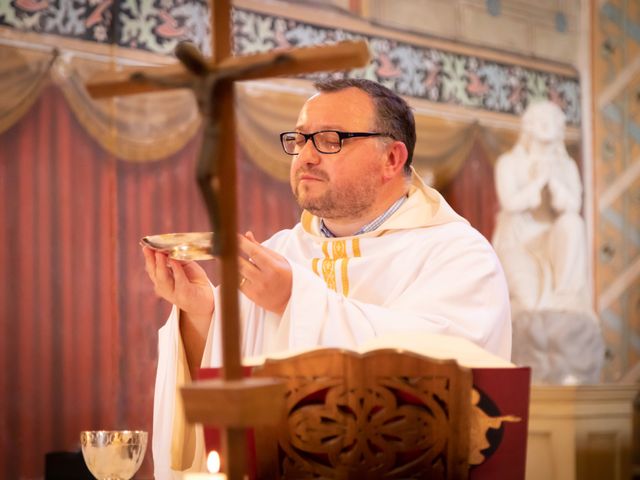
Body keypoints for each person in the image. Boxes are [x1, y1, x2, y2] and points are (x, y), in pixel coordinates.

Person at [143, 79, 511, 478]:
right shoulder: (281, 252)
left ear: (392, 158)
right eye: (300, 140)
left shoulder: (457, 254)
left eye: (330, 140)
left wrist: (294, 301)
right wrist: (202, 316)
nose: (306, 156)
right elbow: (225, 397)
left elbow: (445, 370)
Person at [492, 100, 590, 314]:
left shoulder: (567, 166)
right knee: (529, 307)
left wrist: (554, 182)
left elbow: (574, 205)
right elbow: (510, 203)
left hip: (552, 241)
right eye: (541, 119)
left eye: (553, 119)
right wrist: (537, 181)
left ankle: (564, 295)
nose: (547, 123)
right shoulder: (508, 162)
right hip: (520, 241)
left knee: (573, 222)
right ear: (529, 126)